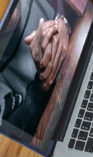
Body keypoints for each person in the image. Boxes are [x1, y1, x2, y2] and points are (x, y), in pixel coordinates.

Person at [0, 0, 72, 136]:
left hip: (86, 34)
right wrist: (43, 78)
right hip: (63, 110)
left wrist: (61, 21)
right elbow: (15, 132)